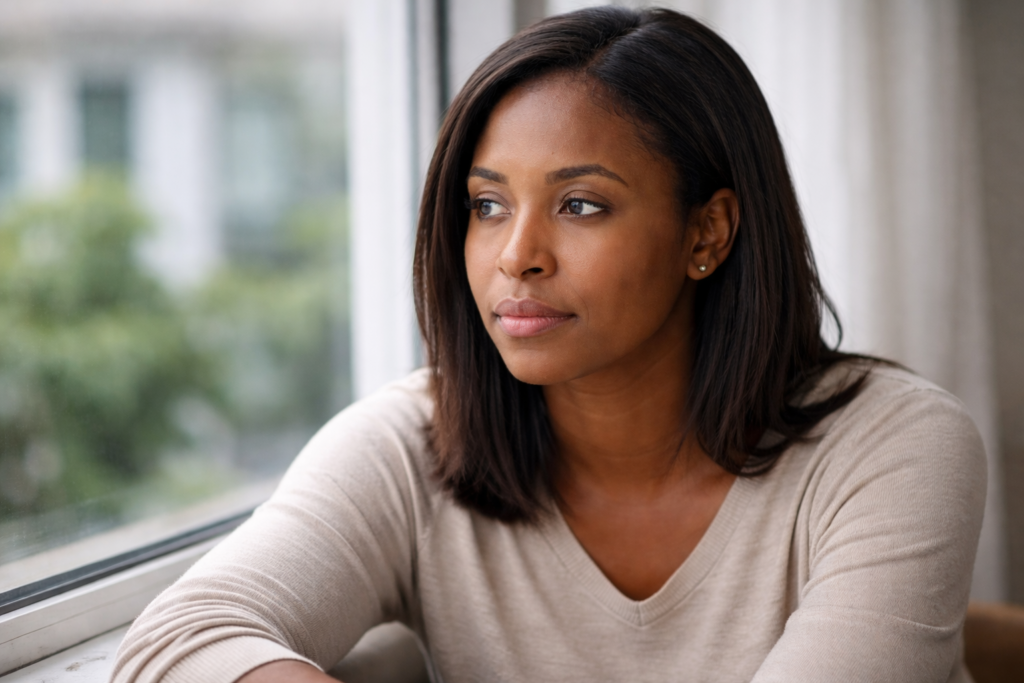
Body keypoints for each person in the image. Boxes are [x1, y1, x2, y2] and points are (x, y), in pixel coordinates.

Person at [112, 7, 986, 682]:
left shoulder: (895, 446)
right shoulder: (411, 442)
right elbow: (184, 638)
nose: (515, 254)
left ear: (707, 233)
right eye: (488, 205)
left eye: (580, 205)